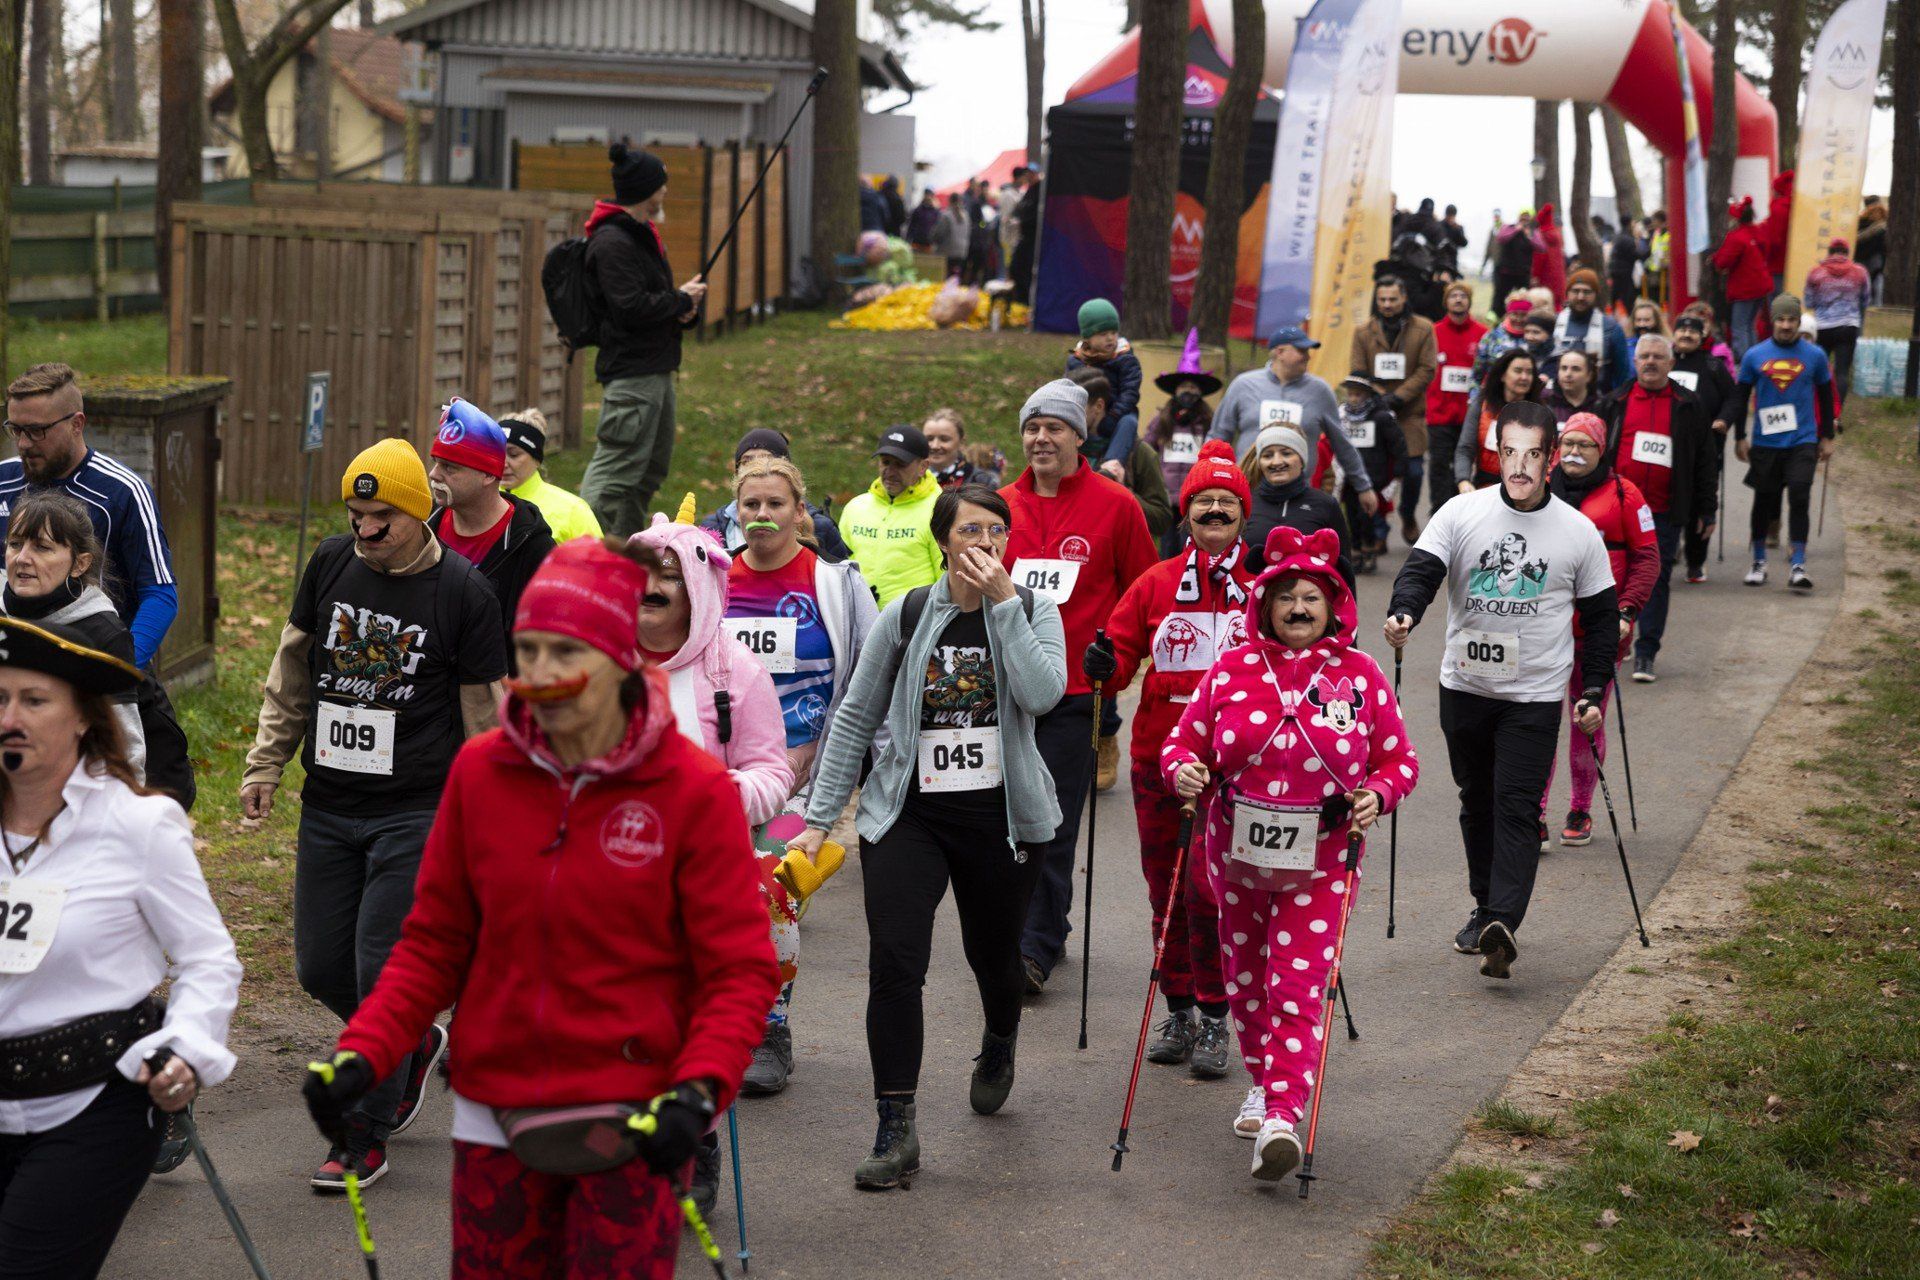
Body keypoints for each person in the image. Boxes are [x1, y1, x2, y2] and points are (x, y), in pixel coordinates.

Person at [300, 537, 779, 1277]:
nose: (539, 676)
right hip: (498, 1112)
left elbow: (740, 970)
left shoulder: (693, 790)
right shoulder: (481, 773)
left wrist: (700, 1087)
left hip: (636, 1114)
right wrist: (364, 1051)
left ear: (623, 660)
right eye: (527, 652)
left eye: (565, 653)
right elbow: (433, 944)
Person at [244, 438, 507, 1189]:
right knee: (320, 965)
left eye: (380, 516)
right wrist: (266, 762)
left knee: (381, 967)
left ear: (420, 511)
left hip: (416, 812)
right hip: (328, 805)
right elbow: (292, 672)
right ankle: (414, 1037)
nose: (364, 530)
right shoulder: (329, 564)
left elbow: (483, 718)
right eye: (356, 515)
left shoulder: (462, 593)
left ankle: (361, 1137)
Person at [785, 485, 1065, 1188]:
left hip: (1002, 820)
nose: (986, 541)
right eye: (971, 528)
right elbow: (854, 717)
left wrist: (1003, 604)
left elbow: (1043, 695)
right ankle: (895, 1125)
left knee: (994, 958)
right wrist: (818, 822)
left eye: (997, 531)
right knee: (896, 962)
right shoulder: (907, 614)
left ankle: (999, 1038)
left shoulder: (1034, 609)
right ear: (943, 539)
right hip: (910, 815)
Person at [1164, 523, 1418, 1168]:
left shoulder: (1359, 674)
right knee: (1248, 986)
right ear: (1264, 605)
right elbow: (1181, 745)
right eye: (1285, 597)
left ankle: (1283, 1115)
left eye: (1312, 596)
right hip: (1237, 857)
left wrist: (1378, 794)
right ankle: (1261, 1081)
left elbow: (1401, 762)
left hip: (1323, 864)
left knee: (1297, 987)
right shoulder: (1230, 669)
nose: (1298, 608)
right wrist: (1184, 772)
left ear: (1334, 606)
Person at [0, 616, 239, 1280]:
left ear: (81, 717)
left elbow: (207, 958)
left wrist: (187, 1049)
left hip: (93, 1103)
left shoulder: (137, 824)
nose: (9, 716)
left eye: (34, 700)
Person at [1387, 401, 1619, 980]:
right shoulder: (1462, 512)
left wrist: (1591, 690)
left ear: (1551, 460)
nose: (1520, 466)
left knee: (1516, 808)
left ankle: (1502, 922)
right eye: (1510, 452)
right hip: (1464, 687)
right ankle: (1486, 904)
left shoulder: (1577, 531)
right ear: (1497, 452)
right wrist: (1403, 614)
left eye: (1532, 455)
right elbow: (1422, 570)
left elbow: (1600, 618)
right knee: (1476, 799)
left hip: (1533, 696)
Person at [629, 504, 794, 1209]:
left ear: (695, 591)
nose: (650, 588)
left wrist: (719, 794)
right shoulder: (594, 665)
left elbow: (774, 772)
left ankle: (694, 1141)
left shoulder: (736, 672)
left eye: (667, 576)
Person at [1084, 443, 1251, 1080]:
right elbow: (1120, 657)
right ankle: (1178, 1006)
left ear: (1242, 514)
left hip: (1235, 773)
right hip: (1159, 763)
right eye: (1203, 502)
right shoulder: (1156, 583)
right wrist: (1103, 667)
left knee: (1215, 896)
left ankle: (1217, 1016)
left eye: (1226, 502)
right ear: (1187, 515)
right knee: (1169, 892)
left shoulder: (1261, 588)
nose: (1213, 510)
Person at [725, 455, 877, 1090]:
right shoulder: (710, 578)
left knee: (770, 887)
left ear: (800, 511)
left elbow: (871, 675)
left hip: (802, 774)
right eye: (750, 505)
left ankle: (771, 1025)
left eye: (775, 505)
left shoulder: (836, 585)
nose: (761, 517)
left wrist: (824, 754)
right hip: (719, 775)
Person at [999, 378, 1157, 992]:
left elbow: (1146, 594)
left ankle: (1034, 947)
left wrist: (1118, 667)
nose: (1040, 437)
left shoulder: (1117, 506)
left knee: (1053, 819)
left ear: (1077, 436)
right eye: (1032, 426)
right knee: (1004, 818)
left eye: (1054, 427)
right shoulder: (998, 506)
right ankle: (1023, 928)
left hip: (1075, 693)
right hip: (1004, 690)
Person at [1, 491, 194, 810]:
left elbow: (126, 750)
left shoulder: (102, 633)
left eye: (42, 547)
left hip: (139, 782)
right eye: (15, 544)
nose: (23, 558)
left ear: (80, 564)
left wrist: (120, 821)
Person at [0, 363, 177, 668]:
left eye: (36, 431)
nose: (24, 443)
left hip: (95, 662)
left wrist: (119, 668)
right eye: (16, 429)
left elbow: (160, 595)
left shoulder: (124, 492)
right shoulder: (3, 480)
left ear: (77, 424)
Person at [1543, 414, 1660, 847]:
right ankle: (1533, 812)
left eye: (1585, 445)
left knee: (1584, 717)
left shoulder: (1625, 495)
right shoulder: (1537, 488)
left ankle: (1580, 807)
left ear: (1601, 450)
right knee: (1535, 720)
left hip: (1598, 630)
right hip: (1542, 628)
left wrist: (1627, 611)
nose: (1574, 452)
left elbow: (1647, 559)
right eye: (1567, 443)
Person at [577, 144, 706, 537]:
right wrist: (678, 299)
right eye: (661, 184)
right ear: (646, 190)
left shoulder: (639, 235)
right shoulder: (613, 242)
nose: (665, 191)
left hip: (655, 370)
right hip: (632, 377)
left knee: (645, 475)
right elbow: (628, 307)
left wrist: (680, 308)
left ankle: (626, 555)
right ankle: (581, 547)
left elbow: (646, 303)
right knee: (614, 475)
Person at [1591, 335, 1716, 682]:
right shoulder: (1614, 402)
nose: (1650, 362)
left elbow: (1706, 460)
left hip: (1663, 511)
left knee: (1655, 579)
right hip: (1615, 509)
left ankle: (1647, 652)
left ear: (1670, 363)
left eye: (1658, 357)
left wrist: (1708, 508)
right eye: (1644, 356)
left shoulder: (1688, 404)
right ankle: (1616, 641)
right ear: (1634, 360)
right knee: (1610, 578)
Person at [427, 399, 557, 668]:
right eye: (436, 463)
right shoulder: (424, 526)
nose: (434, 474)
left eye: (450, 467)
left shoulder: (533, 547)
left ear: (488, 475)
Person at [1729, 294, 1837, 591]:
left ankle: (1798, 563)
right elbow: (1740, 397)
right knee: (1764, 501)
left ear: (1799, 322)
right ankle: (1759, 562)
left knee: (1800, 494)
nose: (1787, 325)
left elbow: (1827, 397)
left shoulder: (1814, 355)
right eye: (1781, 319)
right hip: (1765, 442)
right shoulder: (1755, 355)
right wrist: (1739, 436)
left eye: (1792, 320)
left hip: (1803, 439)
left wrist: (1826, 436)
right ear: (1773, 322)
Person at [1210, 326, 1376, 518]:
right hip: (1248, 493)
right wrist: (1207, 479)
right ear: (1280, 352)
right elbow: (1218, 436)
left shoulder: (1320, 391)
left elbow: (1342, 443)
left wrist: (1363, 486)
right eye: (1301, 351)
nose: (1307, 356)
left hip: (1299, 495)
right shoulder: (1243, 385)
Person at [1349, 276, 1437, 543]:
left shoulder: (1423, 329)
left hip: (1409, 414)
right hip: (1373, 416)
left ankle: (1408, 514)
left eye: (1392, 299)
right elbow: (1358, 371)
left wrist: (1397, 397)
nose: (1387, 304)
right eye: (1382, 299)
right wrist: (1378, 398)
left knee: (1413, 472)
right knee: (1375, 474)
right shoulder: (1363, 332)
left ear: (1404, 298)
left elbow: (1427, 369)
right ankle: (1378, 530)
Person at [700, 429, 851, 561]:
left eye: (775, 504)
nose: (757, 466)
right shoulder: (713, 527)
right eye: (747, 461)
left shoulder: (821, 527)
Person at [839, 426, 944, 608]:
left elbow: (947, 577)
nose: (890, 471)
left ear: (923, 467)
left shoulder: (941, 509)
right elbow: (839, 567)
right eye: (885, 462)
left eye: (900, 464)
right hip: (859, 618)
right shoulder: (855, 507)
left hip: (915, 622)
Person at [1067, 367, 1175, 544]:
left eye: (1075, 408)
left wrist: (1122, 491)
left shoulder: (1139, 453)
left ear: (1099, 406)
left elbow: (1161, 520)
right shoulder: (1063, 448)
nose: (1066, 415)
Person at [1670, 314, 1738, 583]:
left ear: (1702, 337)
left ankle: (1696, 561)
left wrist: (1724, 420)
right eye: (1681, 330)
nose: (1686, 335)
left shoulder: (1713, 366)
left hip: (1705, 447)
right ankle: (1668, 549)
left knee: (1701, 502)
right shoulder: (1665, 362)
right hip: (1669, 447)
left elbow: (1734, 397)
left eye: (1692, 332)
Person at [1242, 422, 1354, 585]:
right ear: (1259, 462)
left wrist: (1346, 609)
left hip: (1307, 607)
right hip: (1249, 605)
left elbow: (1344, 571)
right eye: (1267, 455)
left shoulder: (1325, 504)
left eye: (1286, 453)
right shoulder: (1244, 503)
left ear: (1302, 459)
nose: (1276, 462)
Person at [1146, 330, 1224, 549]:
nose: (1187, 392)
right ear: (1175, 391)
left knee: (1190, 544)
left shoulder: (1208, 421)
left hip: (1195, 496)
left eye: (1192, 387)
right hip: (1165, 495)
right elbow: (1147, 448)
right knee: (1167, 544)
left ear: (1200, 392)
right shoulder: (1161, 419)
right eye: (1183, 387)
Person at [1427, 281, 1488, 520]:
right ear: (1446, 301)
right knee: (1439, 466)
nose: (1458, 299)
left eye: (1463, 295)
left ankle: (1460, 516)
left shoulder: (1483, 334)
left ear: (1470, 301)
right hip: (1439, 413)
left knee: (1464, 466)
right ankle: (1438, 515)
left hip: (1470, 414)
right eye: (1453, 295)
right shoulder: (1433, 332)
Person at [1336, 375, 1408, 572]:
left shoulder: (1381, 417)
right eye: (1350, 394)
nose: (1352, 399)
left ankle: (1369, 549)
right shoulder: (1342, 416)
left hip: (1374, 478)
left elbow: (1398, 445)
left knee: (1366, 517)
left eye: (1357, 394)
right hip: (1349, 478)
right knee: (1351, 516)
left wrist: (1399, 472)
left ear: (1367, 395)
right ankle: (1356, 550)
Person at [499, 407, 603, 543]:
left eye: (514, 454)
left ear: (536, 459)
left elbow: (598, 561)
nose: (504, 463)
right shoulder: (476, 503)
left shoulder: (573, 510)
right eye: (497, 453)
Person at [1066, 299, 1144, 470]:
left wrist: (1114, 416)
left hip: (1118, 413)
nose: (1110, 338)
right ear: (1087, 337)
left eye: (1113, 332)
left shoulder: (1125, 359)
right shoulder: (1076, 361)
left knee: (1129, 422)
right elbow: (1067, 390)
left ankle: (1110, 466)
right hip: (1085, 413)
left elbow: (1130, 392)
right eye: (1102, 334)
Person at [1455, 348, 1544, 491]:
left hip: (1526, 489)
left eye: (1529, 372)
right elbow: (1465, 448)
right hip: (1484, 486)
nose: (1524, 377)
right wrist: (1463, 480)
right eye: (1518, 371)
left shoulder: (1542, 413)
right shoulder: (1482, 404)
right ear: (1502, 375)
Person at [1804, 238, 1872, 402]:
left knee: (1820, 370)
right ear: (1847, 253)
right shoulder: (1860, 272)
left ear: (1829, 253)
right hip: (1848, 327)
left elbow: (1808, 302)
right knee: (1842, 372)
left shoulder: (1815, 272)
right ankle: (1836, 413)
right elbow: (1866, 299)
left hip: (1822, 328)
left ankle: (1819, 407)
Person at [1549, 270, 1631, 394]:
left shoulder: (1612, 328)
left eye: (1587, 292)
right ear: (1567, 294)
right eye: (1576, 291)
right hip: (1557, 402)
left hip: (1599, 403)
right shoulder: (1553, 323)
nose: (1581, 297)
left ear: (1596, 295)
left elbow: (1622, 375)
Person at [1711, 197, 1772, 362]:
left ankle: (1745, 362)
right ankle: (1756, 359)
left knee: (1739, 327)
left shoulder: (1736, 237)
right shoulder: (1758, 231)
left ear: (1736, 218)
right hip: (1761, 285)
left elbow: (1723, 262)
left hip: (1744, 288)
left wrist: (1715, 259)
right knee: (1750, 326)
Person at [926, 408, 996, 490]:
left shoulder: (981, 482)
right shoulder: (911, 478)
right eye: (929, 439)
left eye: (944, 439)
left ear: (961, 442)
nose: (935, 446)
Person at [1473, 296, 1534, 384]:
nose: (1519, 319)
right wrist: (1475, 395)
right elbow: (1477, 374)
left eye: (1523, 315)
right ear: (1508, 314)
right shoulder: (1491, 337)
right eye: (1515, 314)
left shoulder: (1534, 338)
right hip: (1494, 392)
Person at [1490, 211, 1538, 322]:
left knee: (1524, 297)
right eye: (1523, 217)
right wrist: (1516, 229)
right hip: (1506, 271)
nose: (1525, 220)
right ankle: (1497, 318)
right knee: (1500, 297)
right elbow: (1501, 238)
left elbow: (1541, 247)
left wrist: (1529, 236)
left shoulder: (1532, 232)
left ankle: (1522, 318)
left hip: (1523, 273)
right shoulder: (1509, 227)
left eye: (1527, 218)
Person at [1009, 167, 1043, 306]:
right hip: (1024, 237)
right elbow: (1019, 210)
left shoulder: (1040, 190)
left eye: (1029, 173)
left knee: (1025, 269)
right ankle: (1022, 299)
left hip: (1034, 239)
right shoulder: (1029, 191)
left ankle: (1028, 301)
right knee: (1016, 267)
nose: (1027, 176)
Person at [1543, 348, 1599, 423]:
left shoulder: (1601, 406)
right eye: (1564, 368)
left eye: (1576, 369)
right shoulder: (1544, 401)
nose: (1568, 374)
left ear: (1589, 375)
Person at [1531, 205, 1568, 308]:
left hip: (1545, 276)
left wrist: (1535, 275)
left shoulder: (1540, 236)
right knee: (1557, 304)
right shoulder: (1556, 235)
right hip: (1558, 277)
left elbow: (1539, 258)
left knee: (1545, 303)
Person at [1608, 218, 1646, 311]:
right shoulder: (1628, 238)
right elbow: (1634, 254)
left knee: (1615, 293)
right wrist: (1646, 252)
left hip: (1615, 270)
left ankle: (1614, 310)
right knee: (1627, 295)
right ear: (1630, 224)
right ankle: (1629, 313)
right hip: (1624, 271)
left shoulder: (1617, 236)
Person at [1856, 197, 1889, 304]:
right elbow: (1857, 239)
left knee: (1877, 285)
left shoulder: (1885, 226)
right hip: (1862, 259)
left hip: (1876, 261)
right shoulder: (1861, 223)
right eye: (1873, 211)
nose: (1876, 214)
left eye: (1879, 211)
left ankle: (1875, 306)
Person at [936, 194, 971, 280]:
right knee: (956, 278)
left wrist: (932, 240)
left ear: (950, 201)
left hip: (947, 252)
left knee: (945, 278)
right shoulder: (966, 215)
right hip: (962, 252)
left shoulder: (946, 215)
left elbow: (939, 233)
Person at [880, 175, 908, 239]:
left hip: (881, 231)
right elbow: (902, 218)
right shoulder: (898, 199)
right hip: (894, 232)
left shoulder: (880, 195)